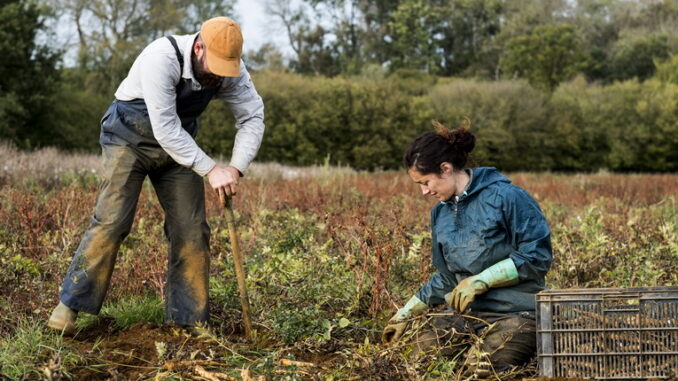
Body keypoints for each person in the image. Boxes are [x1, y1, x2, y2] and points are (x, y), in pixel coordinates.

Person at [47, 17, 264, 335]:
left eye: (225, 69)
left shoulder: (232, 70)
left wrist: (234, 167)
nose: (220, 76)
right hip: (128, 138)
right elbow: (165, 128)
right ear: (199, 47)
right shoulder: (160, 57)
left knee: (192, 229)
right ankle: (69, 307)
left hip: (179, 150)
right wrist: (211, 169)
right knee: (112, 221)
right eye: (215, 66)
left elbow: (253, 116)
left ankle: (188, 322)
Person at [382, 121, 552, 376]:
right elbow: (447, 277)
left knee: (482, 368)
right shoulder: (440, 213)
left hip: (518, 313)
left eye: (426, 181)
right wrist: (404, 314)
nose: (424, 191)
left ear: (446, 169)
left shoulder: (508, 197)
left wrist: (482, 281)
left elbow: (537, 256)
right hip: (467, 315)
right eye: (419, 184)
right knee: (418, 359)